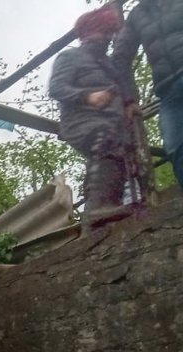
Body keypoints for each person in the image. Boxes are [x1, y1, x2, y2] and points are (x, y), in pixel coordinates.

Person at [49, 6, 130, 228]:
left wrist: (129, 105)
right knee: (105, 141)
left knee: (120, 155)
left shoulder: (109, 64)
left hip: (111, 124)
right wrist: (87, 96)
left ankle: (104, 212)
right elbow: (56, 88)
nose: (107, 38)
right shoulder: (70, 57)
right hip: (80, 122)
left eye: (109, 33)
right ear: (89, 33)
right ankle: (99, 209)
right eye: (103, 32)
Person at [113, 0, 183, 188]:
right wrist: (129, 99)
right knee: (175, 146)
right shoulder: (137, 15)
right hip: (167, 91)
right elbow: (120, 57)